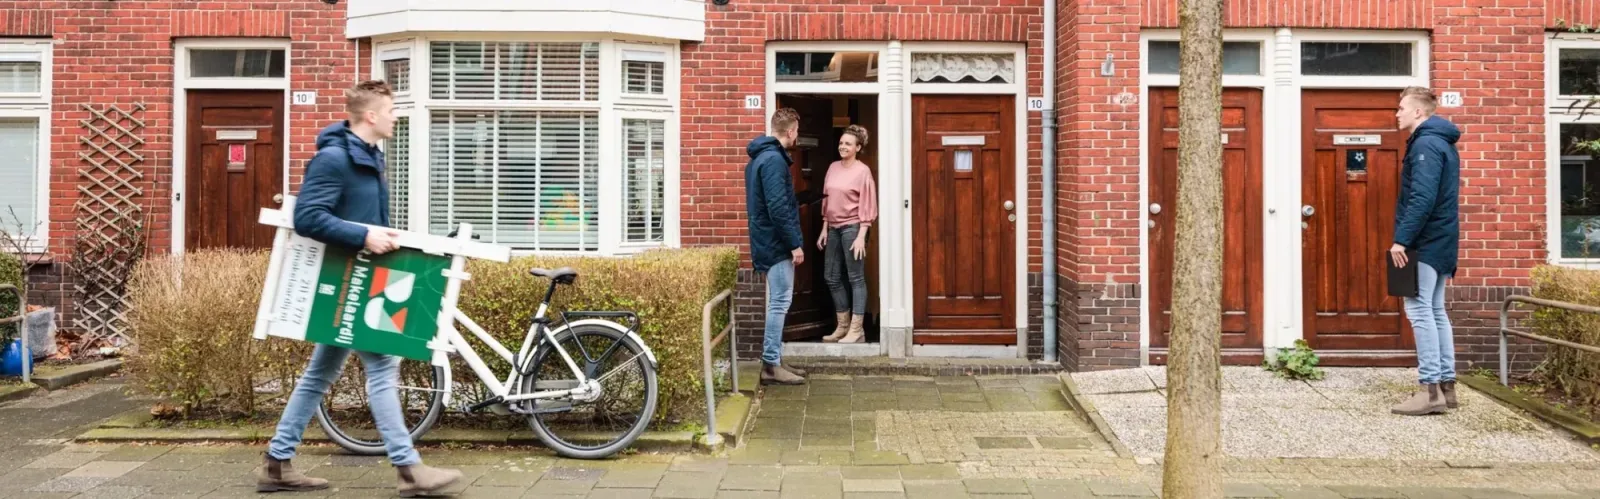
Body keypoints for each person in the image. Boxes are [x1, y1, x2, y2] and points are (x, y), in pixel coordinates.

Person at [257, 80, 464, 496]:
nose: (396, 116)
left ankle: (277, 464)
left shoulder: (367, 158)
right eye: (390, 110)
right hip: (348, 282)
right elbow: (309, 218)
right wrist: (364, 237)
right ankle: (409, 469)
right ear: (371, 116)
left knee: (319, 375)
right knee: (383, 366)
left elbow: (361, 216)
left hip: (361, 279)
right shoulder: (334, 160)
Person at [1388, 86, 1462, 417]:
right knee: (1434, 310)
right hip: (1441, 239)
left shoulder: (1426, 146)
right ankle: (1447, 389)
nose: (1397, 113)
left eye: (1402, 107)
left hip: (1425, 242)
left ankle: (1430, 390)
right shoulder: (1439, 142)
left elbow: (1422, 198)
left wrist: (1401, 240)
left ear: (1419, 112)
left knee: (1419, 311)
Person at [745, 108, 809, 385]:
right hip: (775, 243)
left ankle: (775, 359)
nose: (797, 135)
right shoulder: (773, 161)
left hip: (768, 239)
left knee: (779, 301)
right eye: (797, 131)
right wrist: (794, 244)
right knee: (780, 302)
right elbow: (778, 208)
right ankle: (771, 364)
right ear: (791, 131)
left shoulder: (761, 158)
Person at [818, 125, 878, 344]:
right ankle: (842, 327)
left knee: (855, 278)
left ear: (858, 147)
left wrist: (862, 234)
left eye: (848, 144)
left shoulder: (862, 171)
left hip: (854, 228)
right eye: (841, 142)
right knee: (831, 277)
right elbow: (827, 198)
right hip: (833, 227)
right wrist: (824, 227)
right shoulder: (833, 167)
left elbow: (868, 204)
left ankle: (857, 330)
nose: (843, 146)